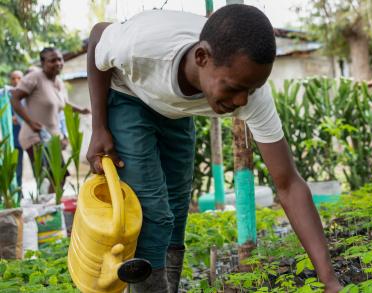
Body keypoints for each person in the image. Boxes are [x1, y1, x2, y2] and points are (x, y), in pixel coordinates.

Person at [87, 4, 342, 293]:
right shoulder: (141, 46)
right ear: (201, 58)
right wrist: (99, 127)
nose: (243, 101)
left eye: (251, 90)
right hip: (128, 96)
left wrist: (329, 280)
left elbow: (288, 184)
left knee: (176, 207)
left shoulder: (249, 89)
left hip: (175, 111)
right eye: (234, 88)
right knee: (154, 212)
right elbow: (98, 35)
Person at [10, 48, 90, 193]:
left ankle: (53, 206)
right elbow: (14, 97)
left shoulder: (57, 82)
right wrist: (29, 122)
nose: (58, 63)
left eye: (60, 59)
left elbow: (64, 104)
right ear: (42, 63)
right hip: (35, 137)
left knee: (61, 175)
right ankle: (47, 210)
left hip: (52, 138)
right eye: (52, 60)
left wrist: (82, 110)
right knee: (45, 178)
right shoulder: (34, 77)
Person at [0, 71, 24, 187]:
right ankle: (16, 191)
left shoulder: (27, 94)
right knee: (14, 166)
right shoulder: (4, 95)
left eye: (19, 78)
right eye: (13, 78)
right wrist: (10, 118)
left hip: (26, 136)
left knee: (35, 166)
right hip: (11, 138)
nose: (16, 81)